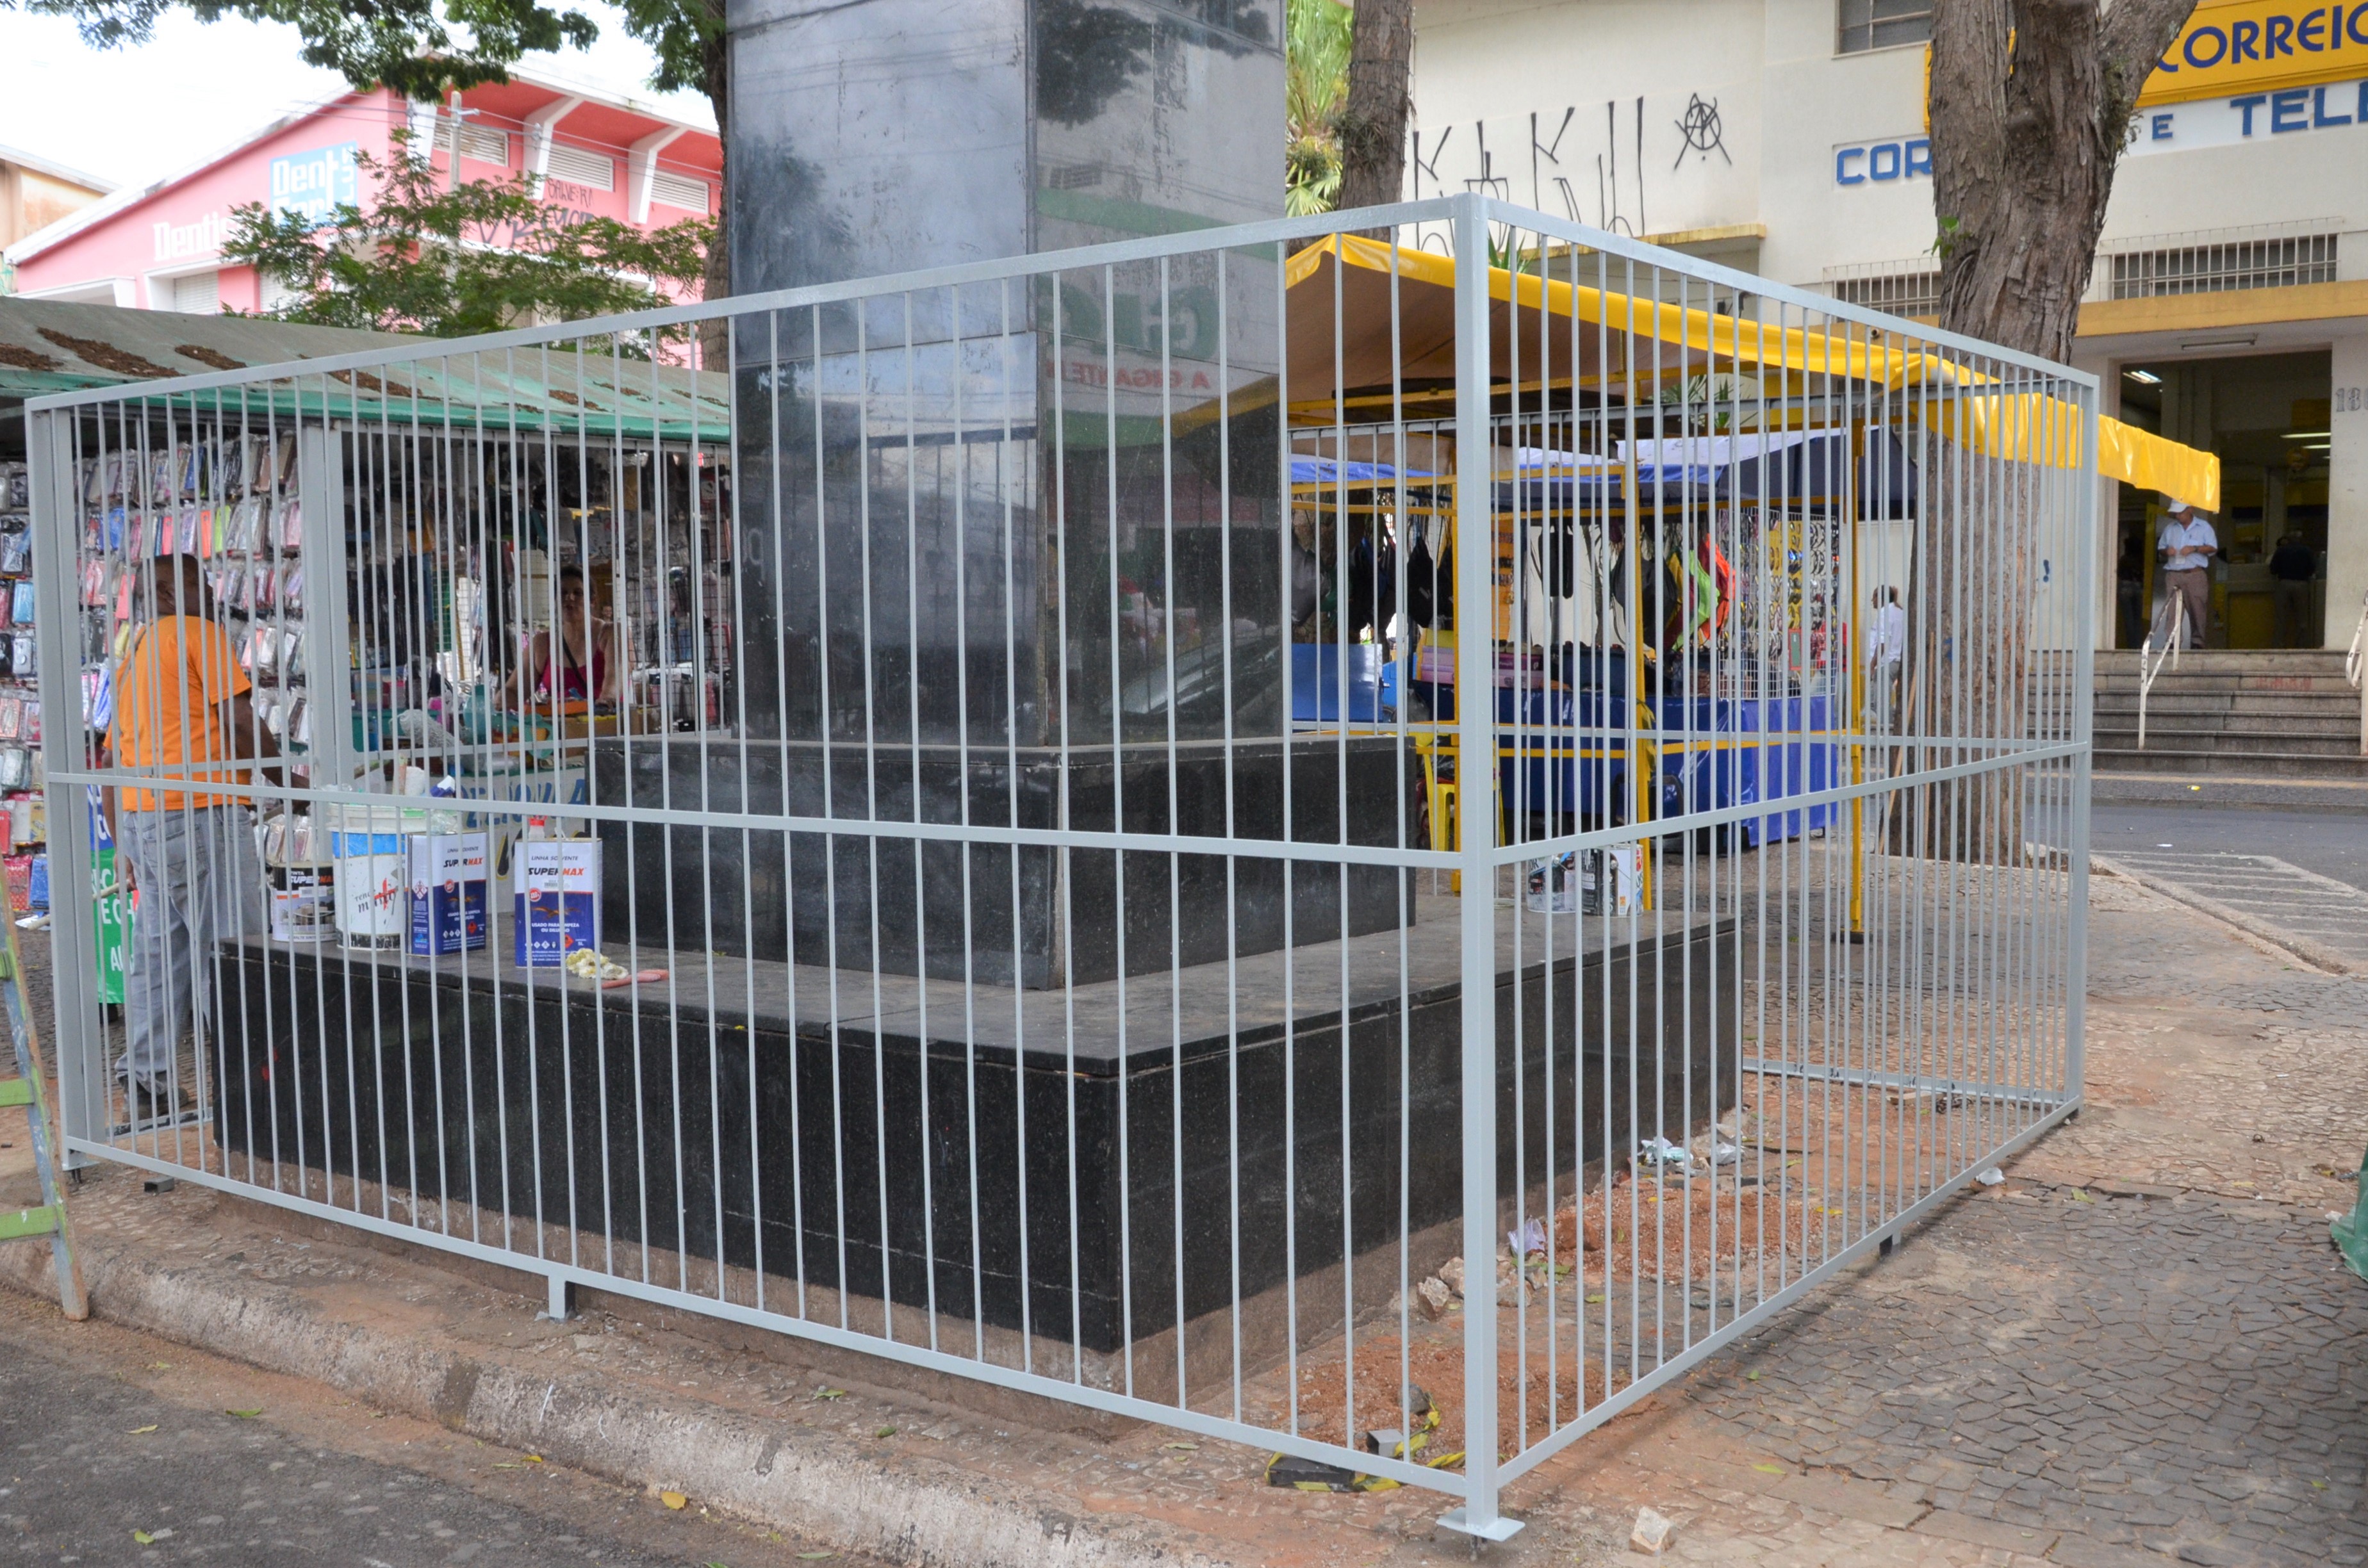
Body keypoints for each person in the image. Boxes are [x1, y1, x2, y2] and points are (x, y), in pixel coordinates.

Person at [104, 553, 280, 1120]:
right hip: (200, 812)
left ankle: (147, 1082)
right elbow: (243, 720)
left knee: (160, 956)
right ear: (170, 592)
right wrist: (289, 782)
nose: (210, 593)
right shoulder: (197, 634)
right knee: (232, 953)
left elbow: (110, 757)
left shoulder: (136, 652)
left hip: (145, 819)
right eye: (199, 584)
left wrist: (122, 843)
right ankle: (248, 1089)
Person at [513, 563, 622, 706]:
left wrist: (607, 699)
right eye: (563, 593)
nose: (570, 598)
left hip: (604, 723)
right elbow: (513, 690)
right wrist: (500, 702)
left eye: (578, 593)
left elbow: (616, 677)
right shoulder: (541, 644)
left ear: (593, 601)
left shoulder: (612, 634)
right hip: (559, 725)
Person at [2155, 500, 2216, 649]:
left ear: (2191, 509)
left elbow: (2212, 548)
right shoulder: (2170, 528)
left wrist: (2195, 549)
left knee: (2198, 609)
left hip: (2195, 573)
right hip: (2174, 573)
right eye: (2176, 513)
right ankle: (2172, 642)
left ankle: (2198, 642)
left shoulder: (2204, 527)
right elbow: (2161, 548)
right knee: (2172, 609)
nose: (2178, 516)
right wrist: (2166, 551)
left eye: (2181, 512)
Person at [2269, 529, 2318, 648]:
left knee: (2281, 618)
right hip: (2302, 584)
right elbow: (2312, 569)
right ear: (2300, 539)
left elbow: (2273, 569)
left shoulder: (2281, 551)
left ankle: (2279, 646)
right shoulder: (2307, 551)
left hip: (2284, 584)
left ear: (2288, 539)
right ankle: (2301, 647)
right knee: (2302, 620)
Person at [1866, 585, 1907, 728]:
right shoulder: (1900, 612)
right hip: (1898, 660)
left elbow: (1883, 642)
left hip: (1886, 662)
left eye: (1875, 596)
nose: (1873, 600)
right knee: (1884, 699)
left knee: (1882, 701)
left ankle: (1887, 731)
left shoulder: (1885, 614)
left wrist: (1873, 664)